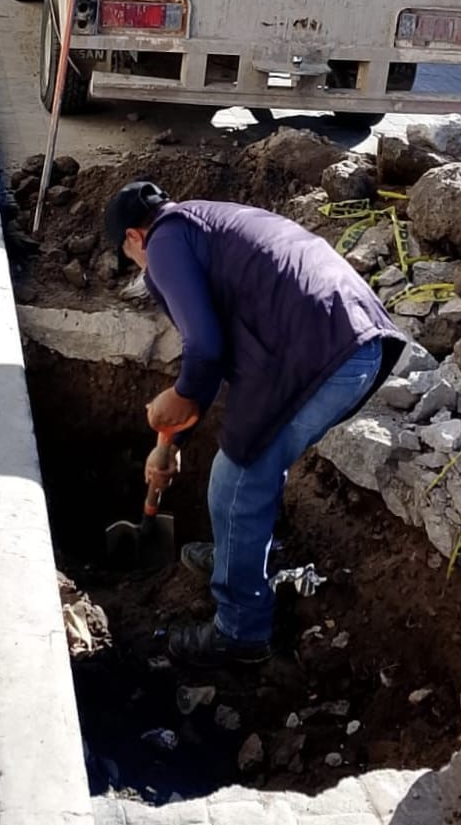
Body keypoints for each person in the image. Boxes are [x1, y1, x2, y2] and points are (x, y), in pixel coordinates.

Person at [103, 181, 406, 668]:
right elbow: (212, 354)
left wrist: (176, 397)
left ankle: (240, 630)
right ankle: (235, 557)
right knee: (253, 463)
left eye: (129, 257)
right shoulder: (205, 222)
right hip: (351, 342)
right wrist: (173, 443)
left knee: (236, 477)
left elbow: (204, 349)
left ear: (134, 237)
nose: (141, 268)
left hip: (320, 353)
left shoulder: (163, 243)